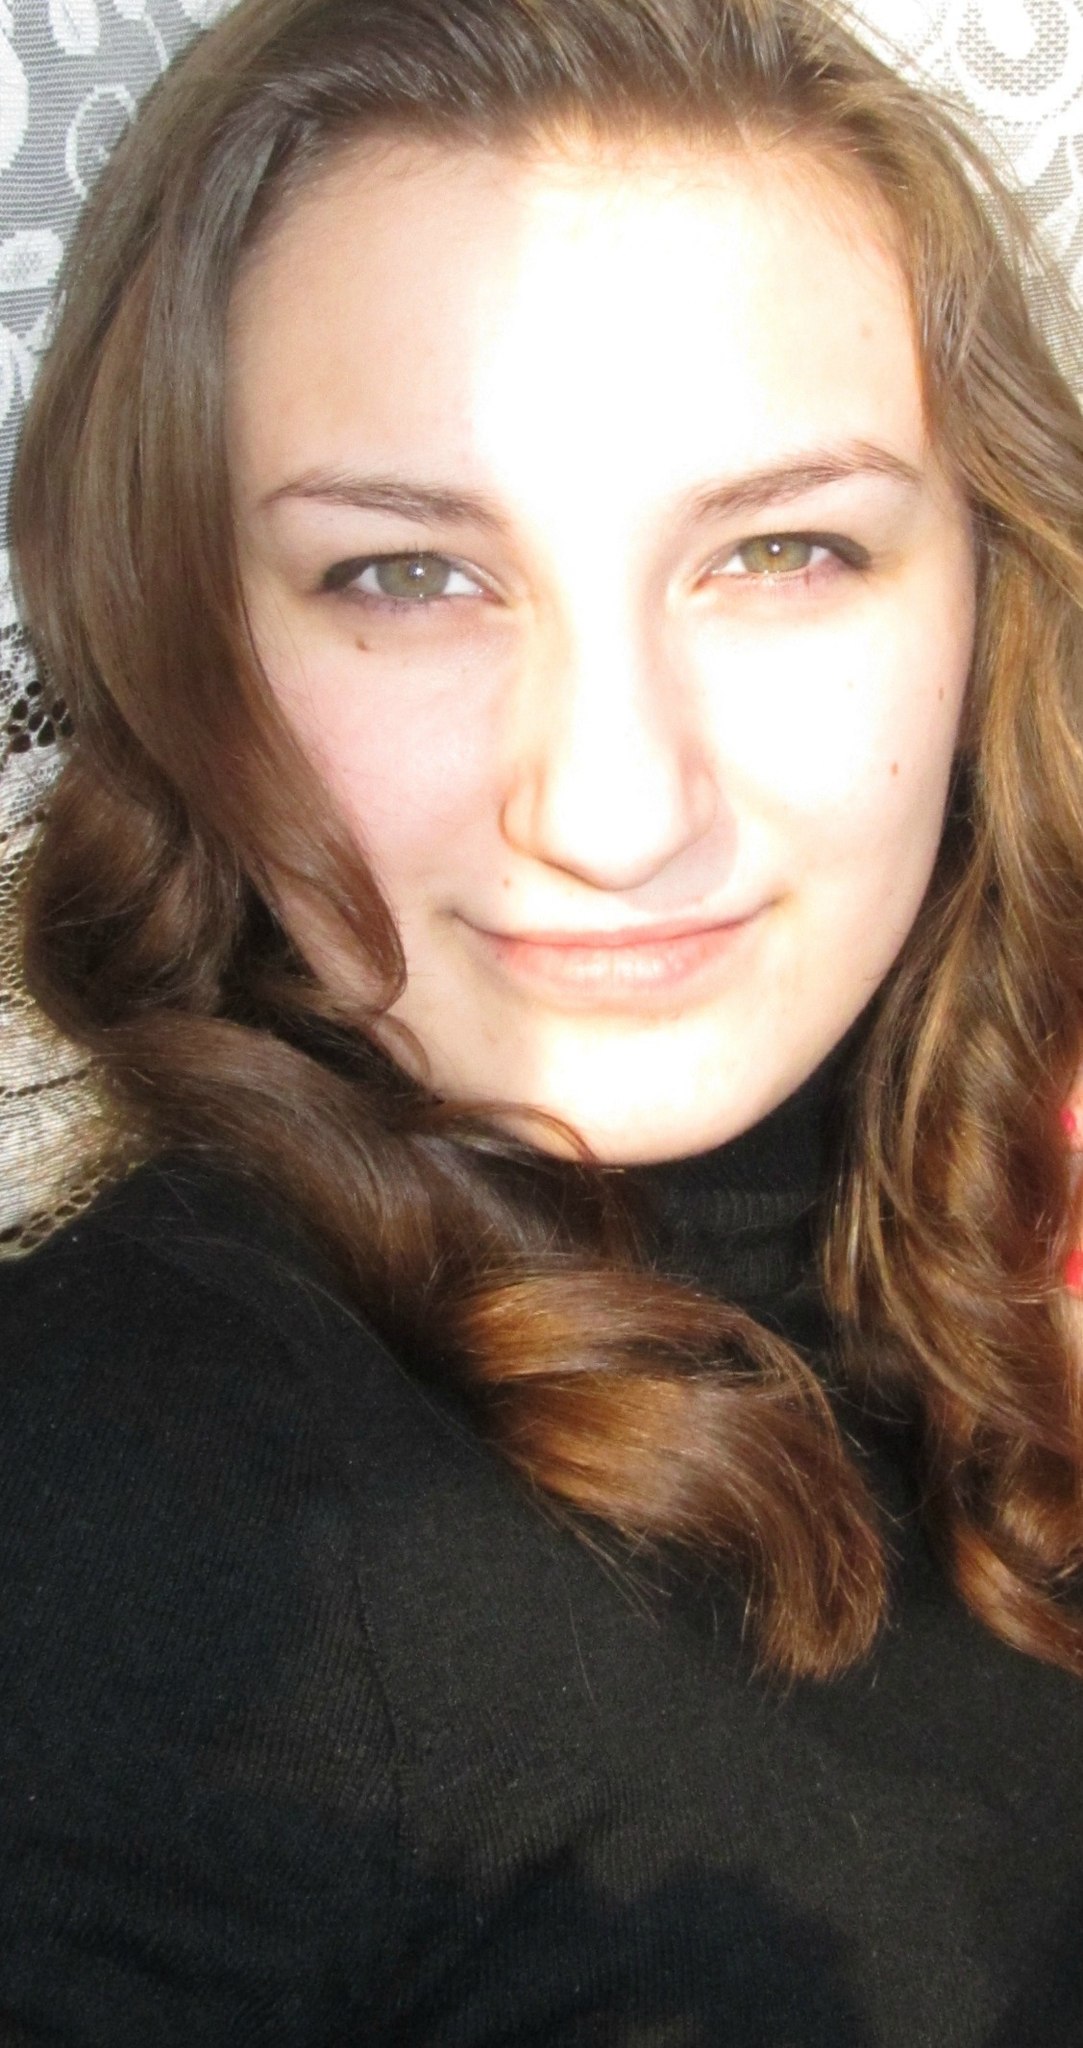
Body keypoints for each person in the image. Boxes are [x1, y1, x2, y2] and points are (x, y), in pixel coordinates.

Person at [2, 0, 1083, 2038]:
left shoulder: (975, 1268)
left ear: (986, 587)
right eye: (405, 576)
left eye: (781, 551)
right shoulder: (135, 1509)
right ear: (188, 634)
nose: (609, 811)